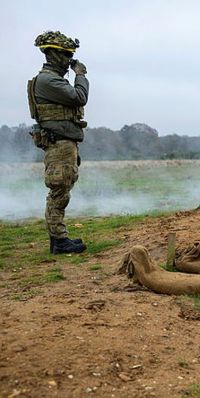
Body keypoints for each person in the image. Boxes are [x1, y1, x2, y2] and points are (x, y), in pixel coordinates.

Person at [28, 31, 89, 254]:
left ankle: (59, 239)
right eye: (65, 55)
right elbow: (79, 97)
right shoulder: (48, 80)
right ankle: (59, 241)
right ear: (52, 54)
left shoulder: (52, 79)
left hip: (63, 142)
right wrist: (80, 75)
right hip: (59, 143)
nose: (68, 60)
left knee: (62, 189)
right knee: (59, 191)